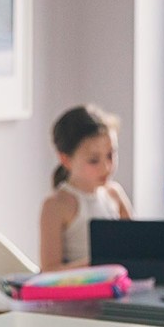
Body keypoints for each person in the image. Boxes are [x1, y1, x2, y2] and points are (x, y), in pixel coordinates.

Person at [39, 105, 133, 272]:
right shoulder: (56, 205)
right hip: (79, 287)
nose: (106, 167)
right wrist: (98, 264)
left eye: (111, 155)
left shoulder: (115, 194)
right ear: (66, 160)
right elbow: (49, 270)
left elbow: (136, 245)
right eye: (93, 160)